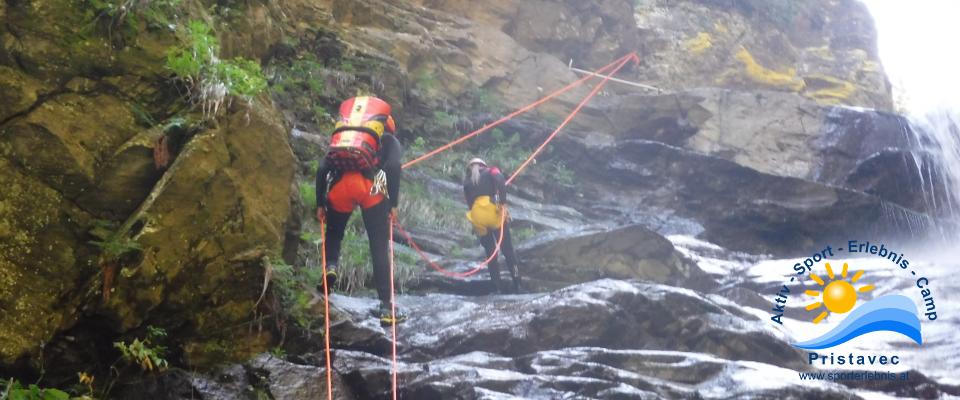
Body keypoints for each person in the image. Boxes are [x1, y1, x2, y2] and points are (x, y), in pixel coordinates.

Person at [316, 96, 404, 325]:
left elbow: (322, 167)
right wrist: (392, 203)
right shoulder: (389, 141)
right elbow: (393, 167)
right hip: (372, 188)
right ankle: (386, 307)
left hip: (339, 186)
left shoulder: (345, 138)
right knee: (378, 245)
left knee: (334, 233)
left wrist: (319, 203)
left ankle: (331, 269)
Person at [462, 158, 520, 293]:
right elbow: (500, 180)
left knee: (490, 254)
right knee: (508, 251)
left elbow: (469, 203)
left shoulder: (467, 181)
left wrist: (475, 222)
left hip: (477, 216)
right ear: (483, 165)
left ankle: (496, 287)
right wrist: (503, 202)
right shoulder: (491, 170)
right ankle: (518, 284)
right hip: (492, 212)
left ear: (470, 168)